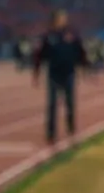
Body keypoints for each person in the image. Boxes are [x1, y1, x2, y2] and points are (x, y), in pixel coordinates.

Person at [33, 9, 89, 147]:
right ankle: (51, 134)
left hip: (69, 72)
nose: (64, 20)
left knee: (70, 103)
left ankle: (71, 129)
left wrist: (84, 66)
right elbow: (39, 55)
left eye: (64, 17)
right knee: (52, 105)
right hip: (53, 74)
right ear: (55, 19)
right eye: (61, 18)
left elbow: (80, 51)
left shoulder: (71, 34)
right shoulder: (48, 36)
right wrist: (36, 72)